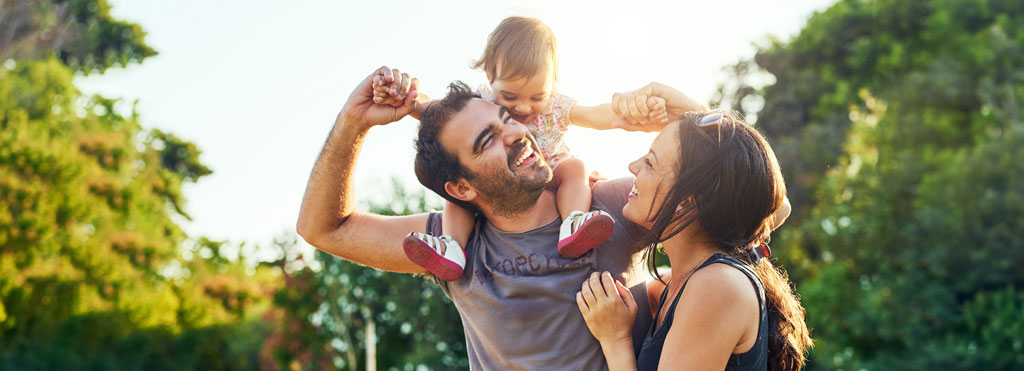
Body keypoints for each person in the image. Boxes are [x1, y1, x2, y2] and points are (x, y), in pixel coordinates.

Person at [371, 16, 668, 281]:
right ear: (489, 76)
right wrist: (402, 94)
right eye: (510, 96)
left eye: (537, 95)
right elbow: (433, 109)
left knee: (575, 167)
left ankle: (574, 221)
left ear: (552, 83)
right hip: (504, 181)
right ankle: (452, 246)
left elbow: (593, 114)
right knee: (461, 194)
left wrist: (629, 114)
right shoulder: (481, 103)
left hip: (549, 170)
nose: (524, 107)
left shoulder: (555, 105)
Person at [575, 84, 812, 370]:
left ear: (687, 201)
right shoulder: (679, 286)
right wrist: (700, 121)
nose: (632, 166)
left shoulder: (717, 286)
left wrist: (615, 340)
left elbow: (765, 199)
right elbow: (770, 203)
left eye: (650, 162)